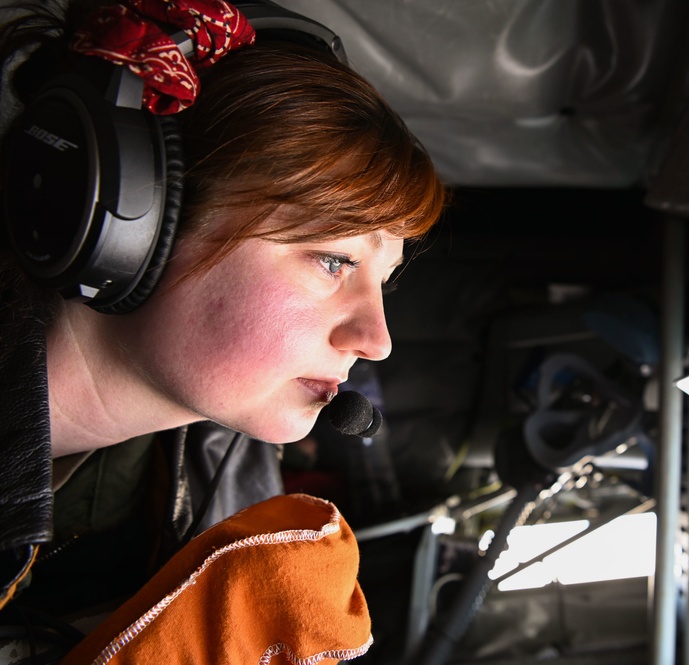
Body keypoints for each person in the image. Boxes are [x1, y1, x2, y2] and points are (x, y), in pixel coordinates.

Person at [0, 0, 446, 661]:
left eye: (383, 280)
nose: (375, 339)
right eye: (334, 260)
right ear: (139, 219)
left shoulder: (232, 481)